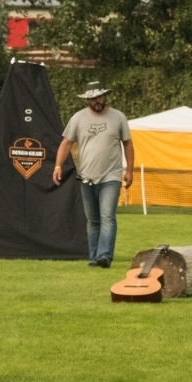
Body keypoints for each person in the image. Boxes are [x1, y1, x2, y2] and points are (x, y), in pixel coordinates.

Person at [53, 81, 134, 269]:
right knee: (93, 220)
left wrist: (129, 170)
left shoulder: (118, 117)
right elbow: (66, 143)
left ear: (105, 96)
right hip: (87, 176)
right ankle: (94, 256)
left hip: (111, 176)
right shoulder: (78, 118)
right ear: (87, 100)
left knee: (108, 216)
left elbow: (128, 144)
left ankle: (104, 256)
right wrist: (58, 166)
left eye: (100, 97)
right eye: (93, 98)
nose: (97, 101)